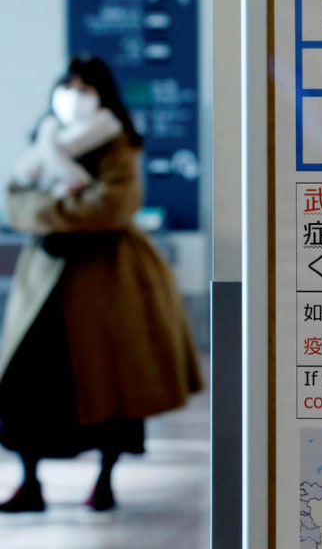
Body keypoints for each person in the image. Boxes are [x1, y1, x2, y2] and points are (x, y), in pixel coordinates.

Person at [0, 56, 203, 513]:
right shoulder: (43, 142)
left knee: (111, 381)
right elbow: (16, 202)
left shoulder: (119, 144)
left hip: (110, 282)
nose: (74, 95)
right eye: (67, 85)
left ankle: (104, 479)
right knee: (26, 383)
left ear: (103, 93)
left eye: (85, 87)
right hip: (45, 281)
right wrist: (66, 202)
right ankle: (29, 481)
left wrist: (51, 206)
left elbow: (111, 207)